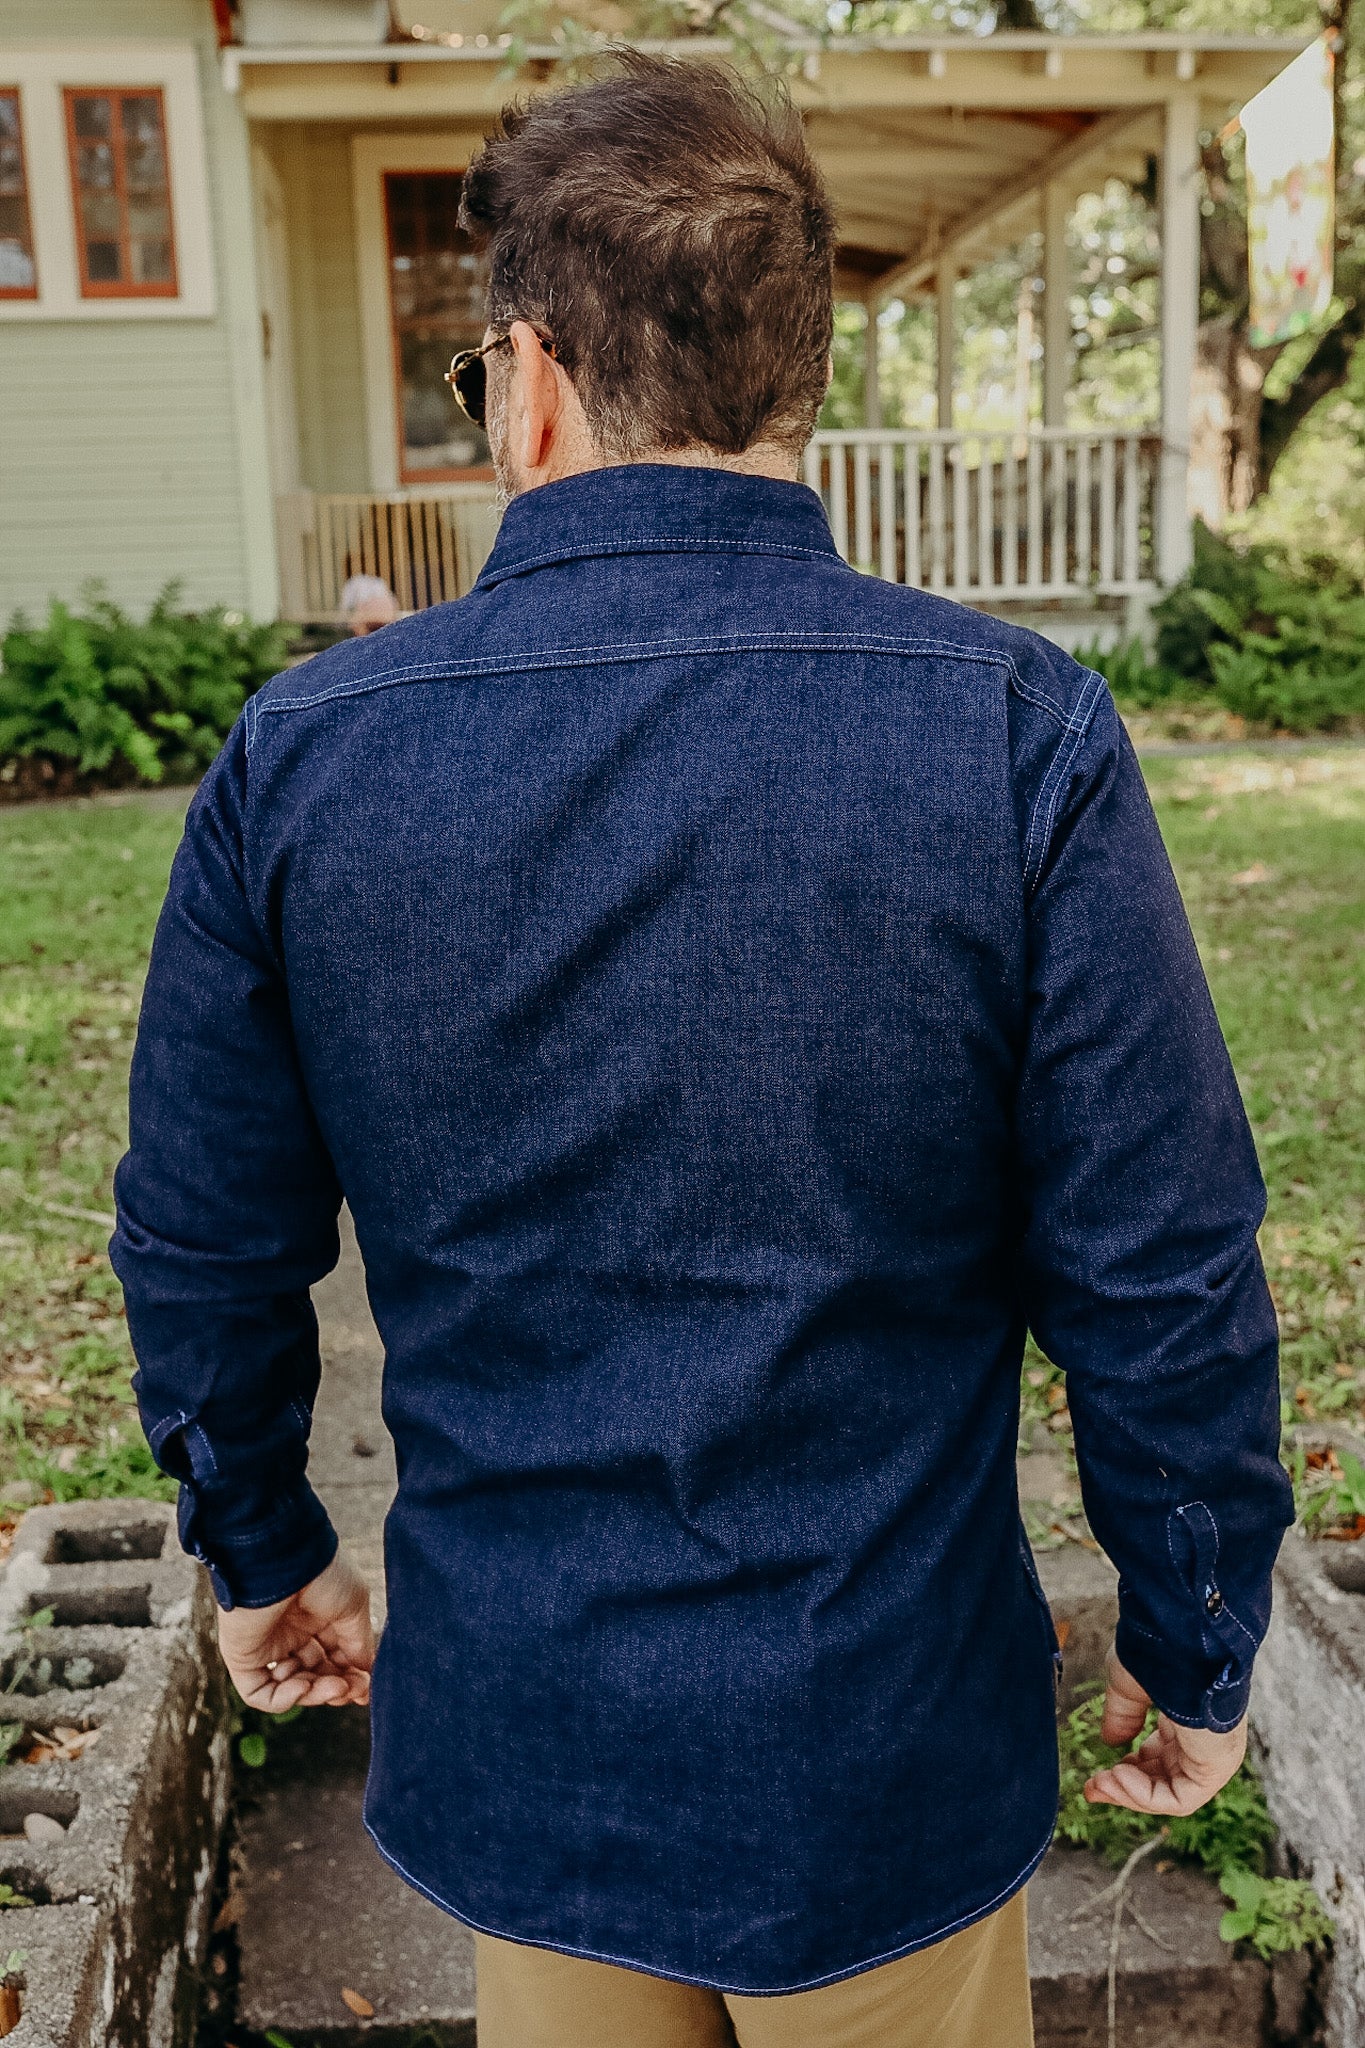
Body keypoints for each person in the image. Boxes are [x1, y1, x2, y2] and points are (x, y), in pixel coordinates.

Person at [111, 55, 1292, 2048]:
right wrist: (1187, 1629)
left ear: (532, 378)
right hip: (886, 1739)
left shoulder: (304, 763)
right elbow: (1157, 1262)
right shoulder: (1013, 737)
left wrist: (260, 1540)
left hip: (531, 1734)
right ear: (786, 374)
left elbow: (201, 1237)